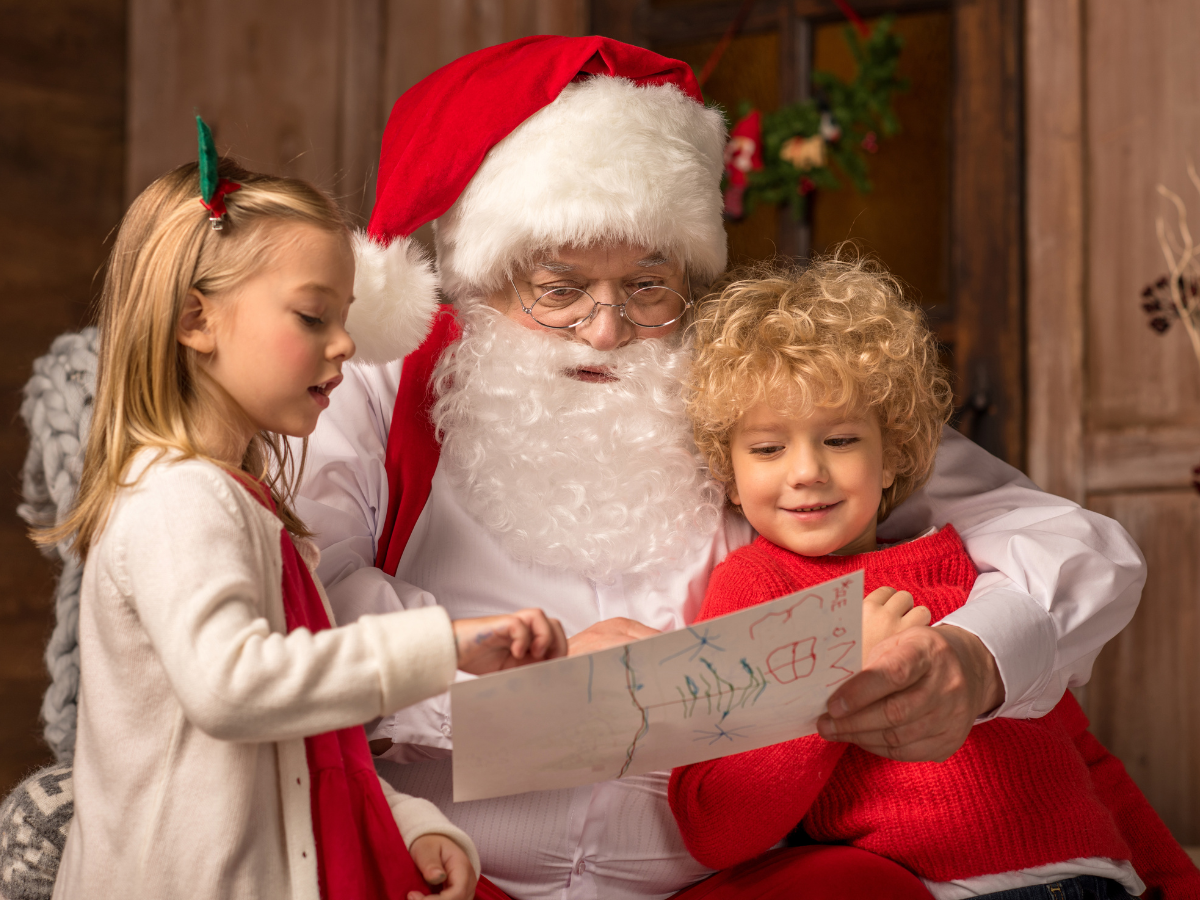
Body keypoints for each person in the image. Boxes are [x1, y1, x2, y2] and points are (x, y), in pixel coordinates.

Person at [298, 35, 1146, 900]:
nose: (606, 330)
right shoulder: (382, 382)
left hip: (718, 876)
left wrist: (979, 657)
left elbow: (1070, 539)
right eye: (558, 290)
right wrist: (496, 668)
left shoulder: (753, 389)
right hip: (448, 861)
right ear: (485, 276)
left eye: (647, 286)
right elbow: (304, 599)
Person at [48, 155, 569, 900]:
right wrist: (442, 644)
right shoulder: (180, 501)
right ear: (197, 318)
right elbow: (234, 688)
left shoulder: (247, 507)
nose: (346, 344)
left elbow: (296, 742)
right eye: (311, 315)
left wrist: (407, 821)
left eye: (346, 317)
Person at [669, 258, 1200, 900]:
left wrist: (1177, 881)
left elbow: (1082, 753)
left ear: (892, 456)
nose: (805, 471)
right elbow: (714, 824)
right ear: (727, 472)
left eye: (839, 439)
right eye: (767, 448)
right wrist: (832, 671)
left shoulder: (966, 563)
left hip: (1104, 881)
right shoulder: (753, 589)